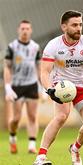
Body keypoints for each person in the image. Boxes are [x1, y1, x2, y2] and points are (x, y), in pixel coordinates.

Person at [33, 10, 83, 165]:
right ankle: (41, 156)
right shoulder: (53, 45)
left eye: (80, 25)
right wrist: (50, 89)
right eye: (74, 25)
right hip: (61, 86)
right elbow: (44, 71)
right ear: (64, 27)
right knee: (61, 116)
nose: (79, 28)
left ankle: (75, 148)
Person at [4, 20, 41, 154]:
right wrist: (8, 87)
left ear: (31, 30)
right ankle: (12, 138)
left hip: (31, 85)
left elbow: (39, 67)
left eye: (27, 29)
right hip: (17, 86)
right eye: (23, 29)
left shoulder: (35, 47)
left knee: (32, 116)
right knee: (16, 118)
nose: (25, 31)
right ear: (18, 30)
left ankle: (32, 145)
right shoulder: (12, 47)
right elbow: (7, 67)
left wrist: (42, 86)